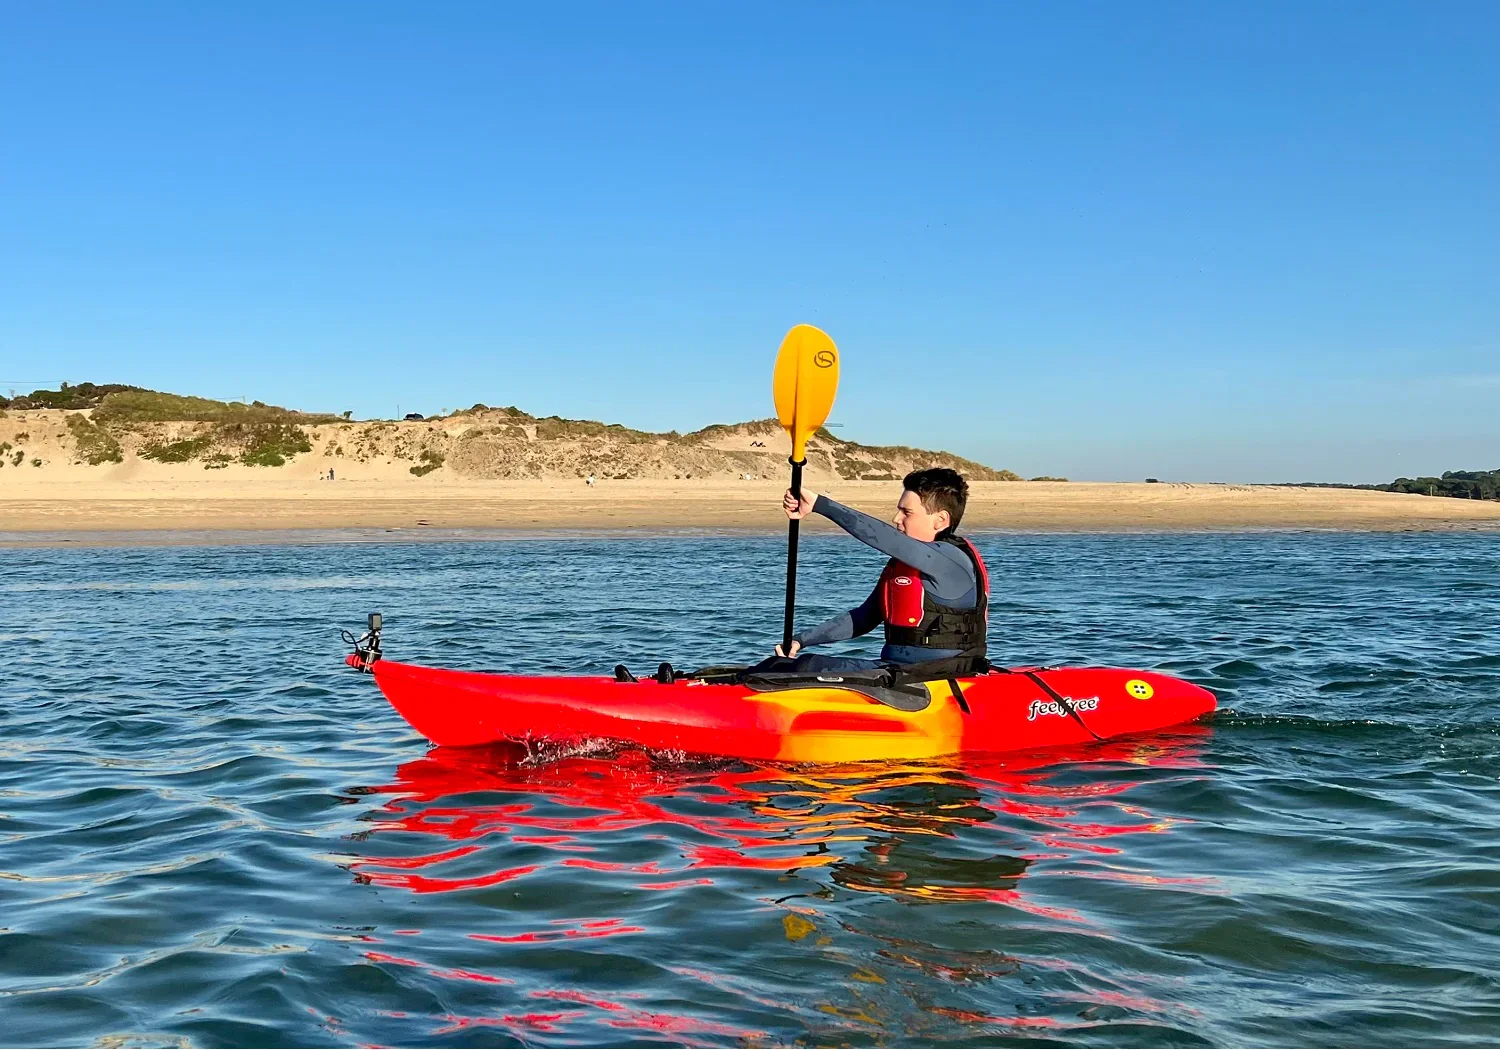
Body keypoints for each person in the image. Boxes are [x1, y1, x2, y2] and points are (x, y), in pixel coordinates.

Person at [772, 467, 989, 676]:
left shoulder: (951, 561)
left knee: (806, 667)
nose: (896, 519)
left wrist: (820, 504)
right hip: (898, 673)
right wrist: (801, 640)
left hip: (937, 675)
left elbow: (883, 538)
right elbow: (865, 617)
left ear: (940, 520)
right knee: (790, 665)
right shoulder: (906, 564)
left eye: (906, 512)